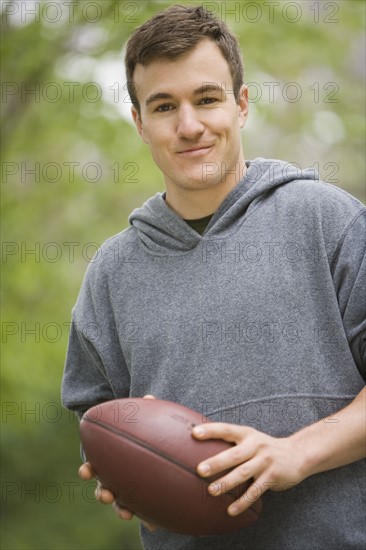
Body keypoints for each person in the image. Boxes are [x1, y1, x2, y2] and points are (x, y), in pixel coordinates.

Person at [62, 5, 366, 550]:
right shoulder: (111, 274)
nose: (189, 126)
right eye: (163, 106)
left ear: (241, 104)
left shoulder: (328, 221)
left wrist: (295, 452)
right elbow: (98, 422)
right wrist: (120, 464)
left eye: (207, 99)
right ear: (138, 122)